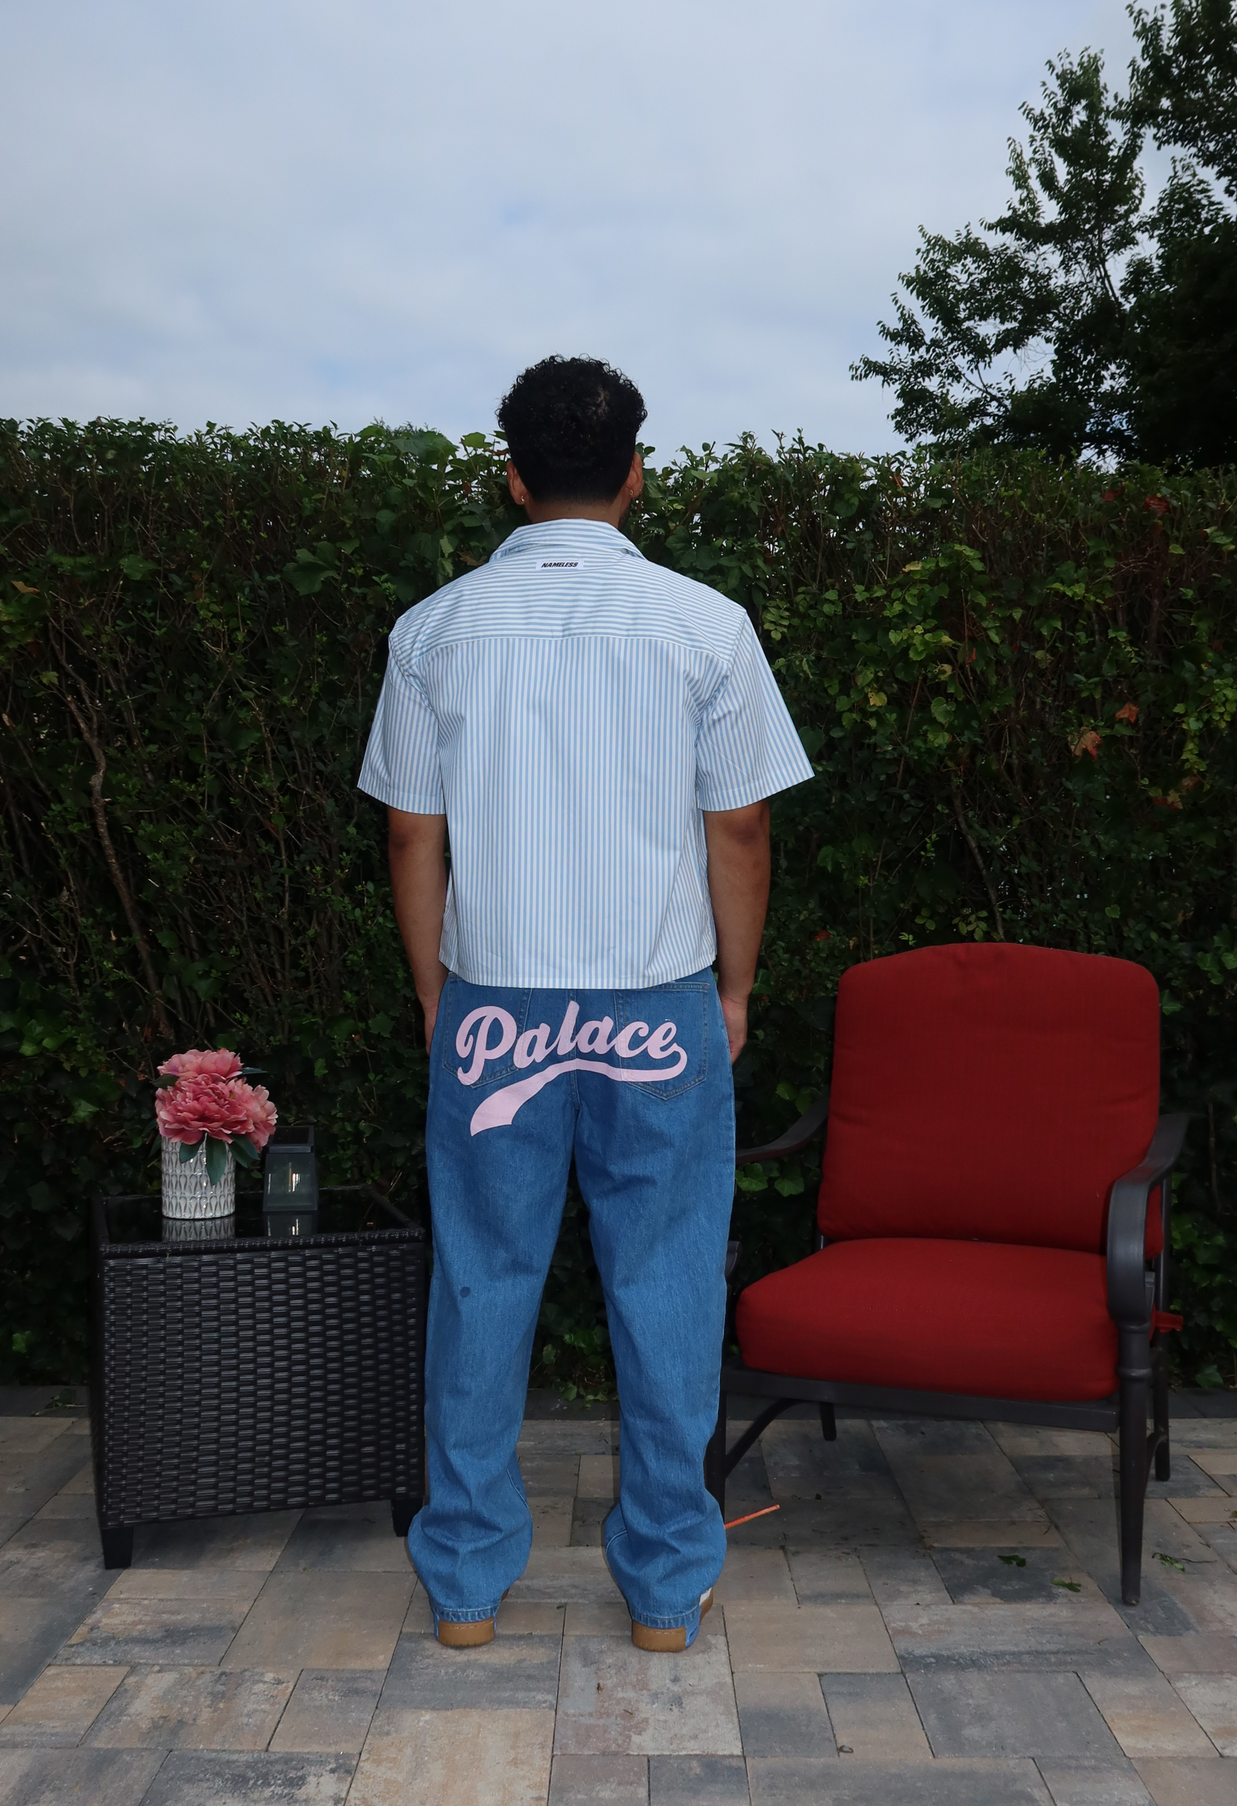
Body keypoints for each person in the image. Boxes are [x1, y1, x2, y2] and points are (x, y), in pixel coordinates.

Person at [358, 355, 813, 1653]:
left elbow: (408, 836)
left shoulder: (433, 628)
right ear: (635, 474)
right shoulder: (704, 623)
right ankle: (668, 1589)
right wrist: (733, 986)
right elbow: (739, 826)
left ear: (510, 473)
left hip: (495, 996)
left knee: (484, 1281)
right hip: (654, 1000)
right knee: (667, 1284)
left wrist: (439, 994)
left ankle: (463, 1584)